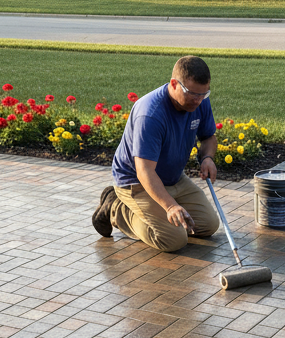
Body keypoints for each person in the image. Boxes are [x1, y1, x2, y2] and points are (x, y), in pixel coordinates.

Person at [93, 55, 220, 251]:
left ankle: (159, 211)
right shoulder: (150, 114)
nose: (198, 100)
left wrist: (208, 158)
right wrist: (170, 206)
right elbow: (144, 171)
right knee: (173, 240)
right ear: (174, 84)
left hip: (174, 179)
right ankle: (116, 208)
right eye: (192, 94)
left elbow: (209, 137)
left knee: (207, 225)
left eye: (204, 94)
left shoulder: (200, 100)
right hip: (136, 182)